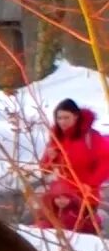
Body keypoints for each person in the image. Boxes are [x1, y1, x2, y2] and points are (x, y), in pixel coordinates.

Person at [35, 98, 109, 234]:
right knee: (51, 227)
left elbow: (106, 162)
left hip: (85, 194)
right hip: (62, 193)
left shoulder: (91, 137)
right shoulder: (57, 137)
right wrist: (49, 159)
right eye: (59, 118)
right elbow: (45, 170)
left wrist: (91, 184)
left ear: (76, 117)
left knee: (81, 230)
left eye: (66, 118)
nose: (62, 122)